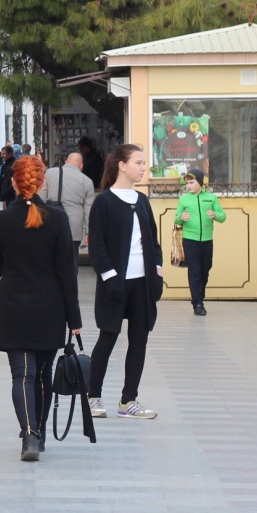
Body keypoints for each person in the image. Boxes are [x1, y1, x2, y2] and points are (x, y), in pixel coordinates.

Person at [0, 155, 82, 461]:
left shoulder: (1, 220)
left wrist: (7, 271)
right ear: (42, 182)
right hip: (49, 307)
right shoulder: (58, 218)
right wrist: (74, 319)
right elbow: (68, 272)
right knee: (41, 373)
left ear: (13, 181)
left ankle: (29, 435)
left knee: (21, 375)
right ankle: (36, 433)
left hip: (13, 305)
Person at [86, 144, 165, 420]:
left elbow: (153, 241)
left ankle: (128, 401)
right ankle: (92, 396)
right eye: (139, 162)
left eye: (145, 163)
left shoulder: (142, 200)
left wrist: (157, 268)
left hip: (142, 284)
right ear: (121, 165)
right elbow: (97, 246)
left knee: (139, 341)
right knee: (108, 338)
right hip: (115, 284)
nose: (144, 168)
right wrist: (111, 277)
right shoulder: (104, 202)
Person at [175, 167, 225, 316]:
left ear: (200, 183)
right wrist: (181, 218)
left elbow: (223, 217)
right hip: (190, 240)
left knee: (205, 270)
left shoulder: (211, 198)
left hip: (207, 240)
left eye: (191, 182)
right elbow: (177, 218)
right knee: (194, 271)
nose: (188, 186)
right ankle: (197, 303)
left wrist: (215, 215)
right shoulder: (184, 199)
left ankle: (199, 297)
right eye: (187, 183)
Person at [40, 151, 97, 267]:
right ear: (81, 166)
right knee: (71, 263)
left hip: (51, 223)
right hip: (73, 228)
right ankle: (70, 284)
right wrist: (89, 233)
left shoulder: (50, 173)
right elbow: (88, 211)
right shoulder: (87, 181)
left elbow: (41, 199)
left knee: (50, 260)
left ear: (66, 162)